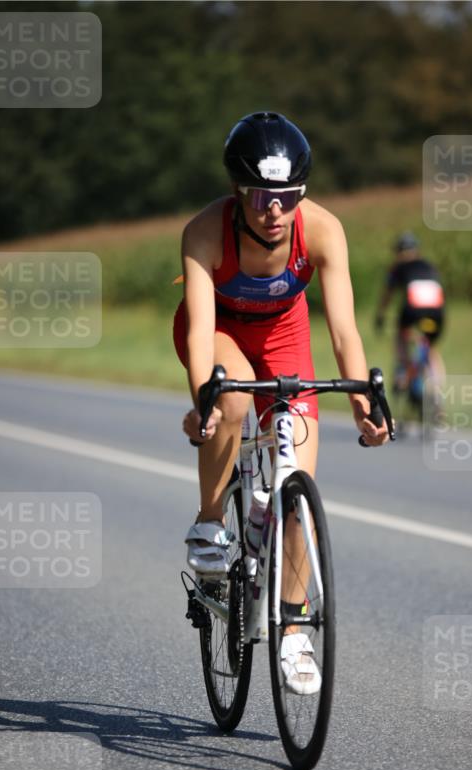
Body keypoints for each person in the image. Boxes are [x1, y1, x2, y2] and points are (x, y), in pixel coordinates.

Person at [174, 111, 388, 693]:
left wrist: (363, 404)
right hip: (219, 330)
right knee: (236, 396)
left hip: (283, 333)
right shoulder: (203, 232)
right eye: (263, 197)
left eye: (289, 196)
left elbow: (343, 330)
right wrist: (206, 399)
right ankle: (212, 523)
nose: (276, 210)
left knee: (296, 487)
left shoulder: (320, 230)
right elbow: (197, 333)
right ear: (239, 191)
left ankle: (294, 632)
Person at [374, 232, 446, 392]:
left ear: (398, 252)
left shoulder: (398, 267)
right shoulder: (429, 265)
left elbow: (388, 295)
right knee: (431, 349)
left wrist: (380, 316)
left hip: (413, 310)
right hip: (437, 312)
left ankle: (404, 373)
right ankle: (438, 395)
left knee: (400, 336)